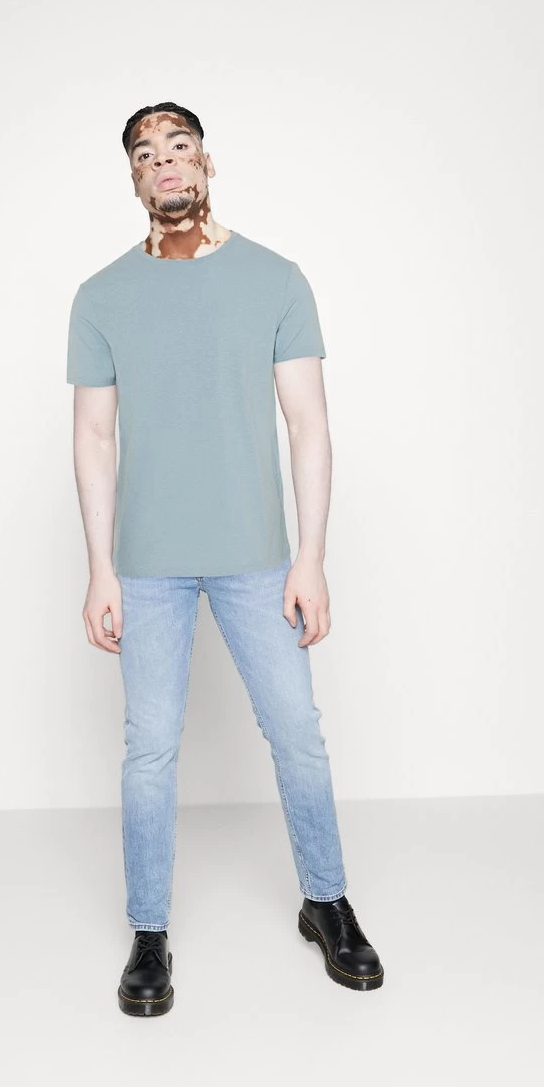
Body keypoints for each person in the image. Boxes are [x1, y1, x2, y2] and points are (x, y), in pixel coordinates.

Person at [66, 101, 384, 1016]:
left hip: (256, 556)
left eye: (179, 145)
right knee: (150, 748)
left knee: (296, 731)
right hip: (146, 564)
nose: (164, 162)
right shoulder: (102, 296)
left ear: (207, 161)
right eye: (146, 153)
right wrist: (99, 569)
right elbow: (93, 436)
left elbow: (309, 424)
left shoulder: (275, 279)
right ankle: (149, 931)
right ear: (134, 178)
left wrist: (311, 557)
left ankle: (326, 901)